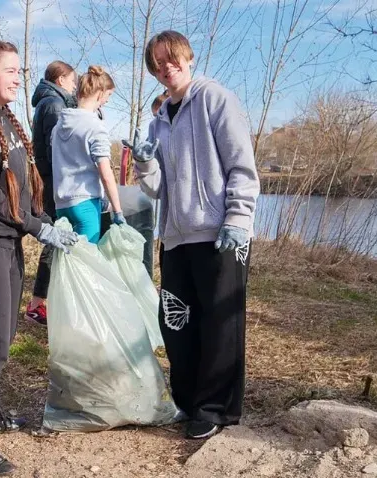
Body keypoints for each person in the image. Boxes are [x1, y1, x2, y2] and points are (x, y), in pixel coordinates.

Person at [0, 39, 78, 476]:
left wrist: (47, 219)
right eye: (10, 70)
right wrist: (37, 226)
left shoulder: (5, 120)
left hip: (7, 240)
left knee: (2, 333)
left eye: (20, 71)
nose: (19, 77)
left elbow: (21, 188)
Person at [123, 30, 260, 440]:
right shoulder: (159, 118)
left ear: (188, 57)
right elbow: (156, 188)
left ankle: (216, 408)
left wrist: (238, 218)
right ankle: (188, 401)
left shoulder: (216, 100)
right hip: (177, 236)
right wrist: (146, 164)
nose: (166, 68)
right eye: (158, 64)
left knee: (221, 323)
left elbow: (242, 166)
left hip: (220, 233)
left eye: (172, 58)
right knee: (178, 322)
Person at [25, 61, 78, 327]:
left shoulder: (48, 102)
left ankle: (43, 301)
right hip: (56, 181)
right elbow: (60, 149)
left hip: (50, 179)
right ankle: (37, 304)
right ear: (60, 79)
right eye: (72, 81)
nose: (75, 86)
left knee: (57, 235)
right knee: (55, 236)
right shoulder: (55, 105)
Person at [51, 66, 124, 244]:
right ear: (100, 93)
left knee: (69, 264)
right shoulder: (95, 127)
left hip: (62, 205)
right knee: (87, 264)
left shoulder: (58, 125)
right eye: (108, 96)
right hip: (85, 206)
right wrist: (118, 210)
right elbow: (106, 175)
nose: (106, 101)